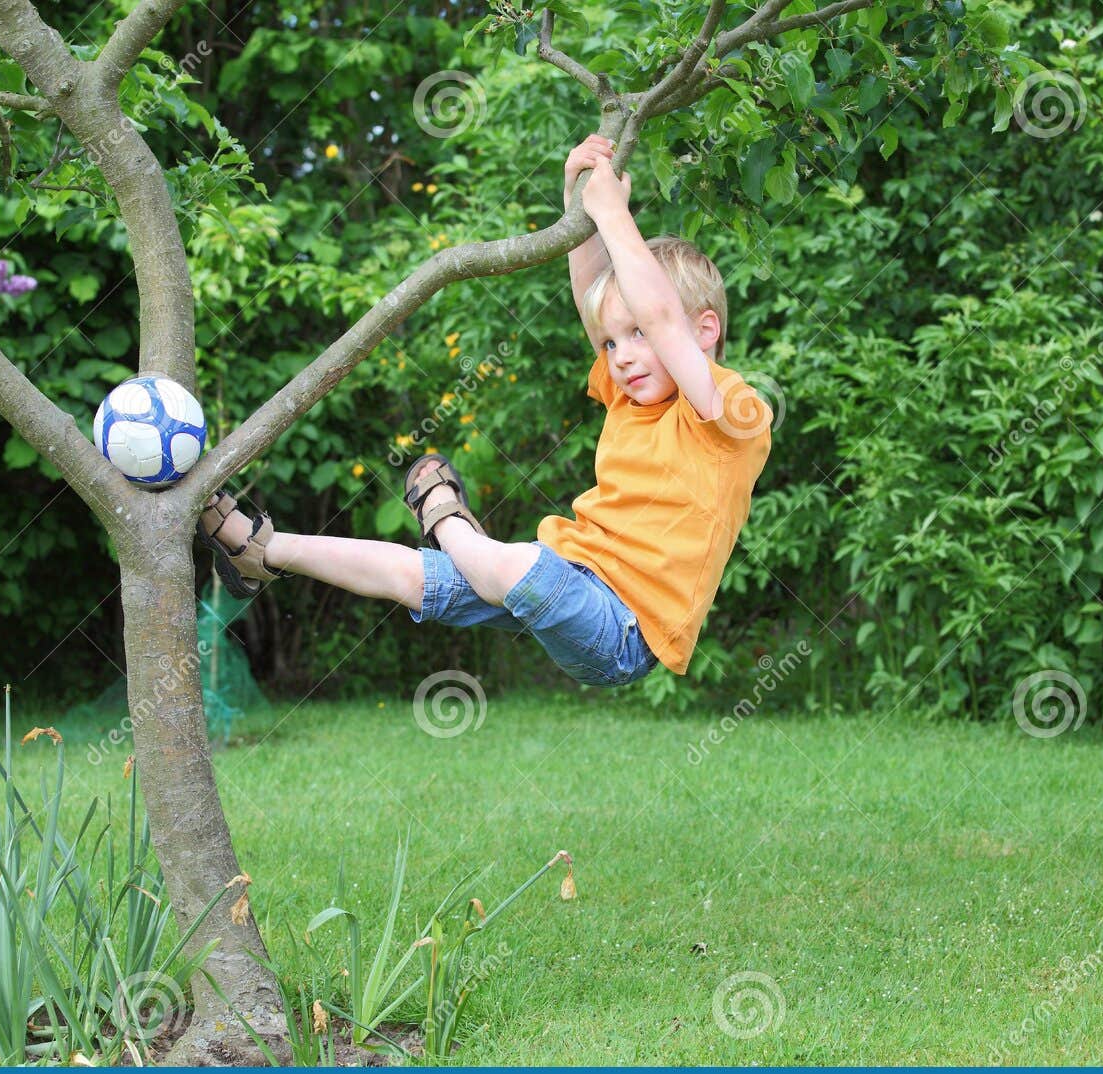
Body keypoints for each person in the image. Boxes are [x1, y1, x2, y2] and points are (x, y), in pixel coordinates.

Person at [197, 134, 773, 687]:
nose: (620, 357)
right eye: (610, 344)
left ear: (704, 331)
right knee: (416, 578)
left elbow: (664, 318)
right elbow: (595, 294)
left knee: (519, 565)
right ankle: (259, 550)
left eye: (639, 334)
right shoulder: (632, 394)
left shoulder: (731, 416)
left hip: (621, 631)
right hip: (571, 574)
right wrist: (577, 201)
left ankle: (448, 526)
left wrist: (613, 213)